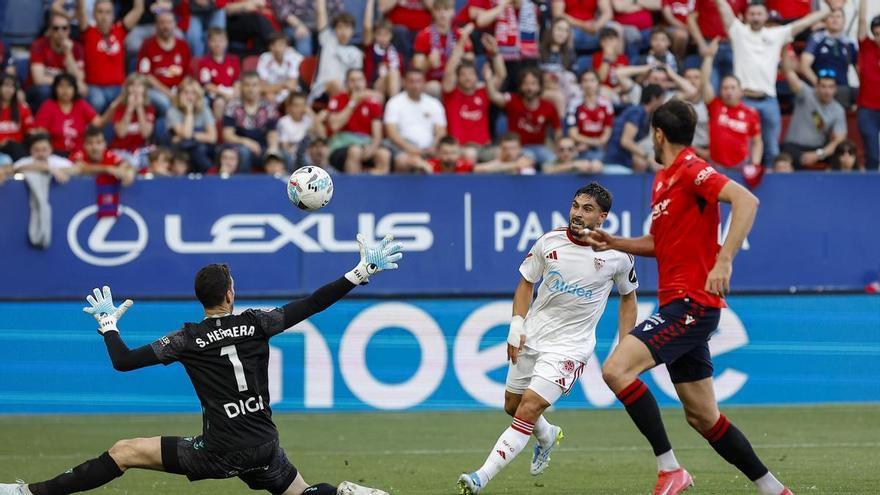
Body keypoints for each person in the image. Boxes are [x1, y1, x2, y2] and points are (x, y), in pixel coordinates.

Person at [0, 236, 403, 495]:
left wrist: (108, 325)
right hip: (264, 443)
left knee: (124, 452)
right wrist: (360, 272)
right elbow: (314, 302)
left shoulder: (186, 339)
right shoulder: (257, 323)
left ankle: (27, 493)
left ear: (201, 299)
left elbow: (123, 361)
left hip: (220, 450)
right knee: (301, 492)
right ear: (230, 295)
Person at [584, 98, 794, 495]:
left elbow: (747, 200)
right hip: (679, 305)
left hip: (692, 303)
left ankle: (670, 469)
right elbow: (660, 243)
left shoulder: (693, 169)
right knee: (703, 417)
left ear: (658, 134)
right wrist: (614, 242)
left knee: (615, 370)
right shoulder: (663, 180)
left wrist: (724, 260)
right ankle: (774, 489)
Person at [457, 182, 638, 495]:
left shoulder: (617, 256)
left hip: (571, 347)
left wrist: (626, 345)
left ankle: (479, 478)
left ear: (602, 217)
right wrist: (517, 323)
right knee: (513, 405)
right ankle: (547, 435)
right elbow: (527, 281)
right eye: (575, 205)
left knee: (529, 407)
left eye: (588, 209)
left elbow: (629, 297)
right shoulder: (549, 241)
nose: (577, 213)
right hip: (534, 335)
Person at [715, 0, 842, 166]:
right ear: (746, 16)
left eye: (759, 14)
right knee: (745, 148)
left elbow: (804, 23)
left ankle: (770, 181)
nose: (756, 17)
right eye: (752, 14)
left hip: (769, 99)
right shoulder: (739, 31)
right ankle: (745, 180)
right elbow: (724, 9)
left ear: (766, 16)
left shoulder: (776, 34)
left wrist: (829, 10)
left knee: (772, 148)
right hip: (744, 100)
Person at [700, 40, 762, 172]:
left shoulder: (751, 113)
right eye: (725, 88)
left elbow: (757, 142)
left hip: (741, 167)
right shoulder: (714, 105)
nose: (729, 91)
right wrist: (709, 57)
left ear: (741, 91)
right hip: (716, 167)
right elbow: (704, 83)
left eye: (733, 88)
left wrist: (755, 164)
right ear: (720, 91)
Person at [442, 25, 504, 154]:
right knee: (470, 154)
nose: (467, 78)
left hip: (484, 148)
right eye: (463, 74)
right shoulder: (451, 94)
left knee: (502, 153)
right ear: (457, 78)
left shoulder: (484, 92)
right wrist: (461, 42)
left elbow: (500, 76)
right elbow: (449, 72)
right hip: (460, 150)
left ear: (477, 77)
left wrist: (495, 52)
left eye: (471, 74)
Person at [780, 51, 846, 170]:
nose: (827, 91)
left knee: (842, 154)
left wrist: (818, 154)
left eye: (831, 87)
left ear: (835, 89)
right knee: (786, 157)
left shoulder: (838, 110)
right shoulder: (806, 93)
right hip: (793, 147)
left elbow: (839, 140)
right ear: (817, 86)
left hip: (818, 148)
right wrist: (784, 48)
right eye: (823, 86)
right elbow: (788, 73)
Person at [485, 65, 562, 167]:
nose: (529, 88)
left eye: (533, 84)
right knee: (528, 158)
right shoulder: (512, 100)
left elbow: (558, 130)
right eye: (526, 84)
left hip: (540, 147)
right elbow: (493, 96)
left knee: (552, 160)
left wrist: (558, 147)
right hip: (519, 149)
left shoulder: (548, 107)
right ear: (520, 86)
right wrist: (488, 78)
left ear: (540, 86)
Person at [78, 0, 145, 112]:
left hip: (118, 88)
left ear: (113, 15)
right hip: (95, 88)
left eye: (108, 12)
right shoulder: (88, 31)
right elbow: (80, 8)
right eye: (100, 12)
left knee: (130, 100)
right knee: (98, 101)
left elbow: (138, 9)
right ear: (94, 14)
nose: (104, 17)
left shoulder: (120, 30)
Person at [326, 69, 390, 174]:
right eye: (352, 80)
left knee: (384, 155)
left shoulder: (373, 103)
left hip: (366, 143)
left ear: (365, 82)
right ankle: (354, 183)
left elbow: (377, 134)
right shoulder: (337, 99)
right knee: (355, 151)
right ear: (346, 83)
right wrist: (353, 103)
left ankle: (371, 180)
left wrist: (372, 148)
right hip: (341, 145)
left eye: (360, 80)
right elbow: (334, 126)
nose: (357, 84)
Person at [384, 69, 447, 173]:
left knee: (450, 156)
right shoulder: (394, 103)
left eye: (418, 81)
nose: (415, 85)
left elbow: (441, 131)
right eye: (411, 81)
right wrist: (411, 149)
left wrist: (433, 147)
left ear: (424, 83)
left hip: (430, 149)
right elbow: (392, 133)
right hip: (403, 149)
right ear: (404, 83)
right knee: (403, 162)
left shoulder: (434, 104)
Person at [70, 126, 136, 218]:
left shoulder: (110, 155)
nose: (94, 147)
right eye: (90, 143)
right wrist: (108, 169)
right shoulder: (79, 155)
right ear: (84, 145)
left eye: (98, 142)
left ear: (105, 144)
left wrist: (129, 172)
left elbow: (125, 165)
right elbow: (81, 168)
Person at [222, 71, 281, 172]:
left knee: (283, 155)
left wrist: (272, 148)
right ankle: (243, 181)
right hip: (239, 146)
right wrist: (248, 142)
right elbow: (228, 135)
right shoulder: (232, 106)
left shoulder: (268, 106)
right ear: (242, 87)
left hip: (262, 146)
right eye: (247, 85)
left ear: (260, 87)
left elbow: (272, 132)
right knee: (244, 152)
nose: (251, 89)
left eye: (254, 85)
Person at [137, 10, 192, 117]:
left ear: (175, 24)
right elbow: (145, 76)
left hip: (179, 90)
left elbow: (188, 74)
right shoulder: (147, 45)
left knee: (199, 100)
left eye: (169, 22)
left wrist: (180, 92)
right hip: (155, 90)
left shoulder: (183, 45)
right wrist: (169, 94)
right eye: (162, 22)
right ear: (156, 25)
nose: (166, 26)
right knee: (165, 103)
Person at [800, 7, 857, 108]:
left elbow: (859, 68)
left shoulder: (850, 42)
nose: (835, 19)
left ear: (844, 20)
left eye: (838, 17)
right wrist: (819, 85)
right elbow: (804, 65)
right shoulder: (816, 39)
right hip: (820, 89)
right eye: (831, 16)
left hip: (842, 89)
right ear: (825, 20)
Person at [412, 0, 473, 96]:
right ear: (433, 12)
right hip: (431, 82)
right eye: (438, 10)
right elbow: (417, 69)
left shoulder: (461, 35)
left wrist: (460, 53)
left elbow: (470, 61)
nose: (442, 13)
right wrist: (429, 63)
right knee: (434, 87)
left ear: (453, 12)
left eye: (446, 9)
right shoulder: (423, 35)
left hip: (454, 80)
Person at [28, 13, 87, 109]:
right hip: (41, 89)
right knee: (45, 91)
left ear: (69, 30)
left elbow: (79, 77)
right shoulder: (38, 45)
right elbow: (38, 79)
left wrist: (68, 53)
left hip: (61, 86)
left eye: (64, 28)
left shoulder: (76, 48)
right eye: (56, 28)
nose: (60, 32)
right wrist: (64, 84)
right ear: (50, 31)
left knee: (82, 90)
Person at [34, 73, 102, 156]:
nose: (65, 90)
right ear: (55, 88)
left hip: (80, 154)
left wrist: (112, 108)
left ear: (75, 89)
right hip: (55, 154)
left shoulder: (81, 104)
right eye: (61, 86)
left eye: (69, 86)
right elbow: (40, 132)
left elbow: (98, 123)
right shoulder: (48, 106)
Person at [603, 83, 665, 173]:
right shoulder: (637, 112)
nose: (662, 104)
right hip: (616, 164)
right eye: (662, 100)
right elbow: (625, 141)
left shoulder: (645, 116)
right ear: (654, 99)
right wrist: (648, 158)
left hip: (625, 161)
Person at [311, 0, 363, 99]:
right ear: (334, 30)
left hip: (347, 91)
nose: (343, 31)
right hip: (322, 90)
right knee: (335, 84)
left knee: (376, 96)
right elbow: (321, 13)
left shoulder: (356, 53)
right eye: (340, 27)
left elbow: (356, 78)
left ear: (352, 31)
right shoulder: (327, 40)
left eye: (347, 27)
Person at [168, 77, 218, 173]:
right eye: (186, 93)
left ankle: (210, 174)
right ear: (179, 94)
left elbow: (212, 137)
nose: (189, 97)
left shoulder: (204, 109)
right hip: (181, 149)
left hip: (202, 149)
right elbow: (186, 135)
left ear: (198, 95)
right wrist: (189, 112)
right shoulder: (173, 111)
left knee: (198, 150)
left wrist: (190, 137)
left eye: (193, 93)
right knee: (186, 149)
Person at [194, 27, 241, 121]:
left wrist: (235, 93)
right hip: (215, 95)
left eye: (221, 41)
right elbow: (207, 85)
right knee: (219, 102)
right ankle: (218, 127)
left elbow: (237, 81)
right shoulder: (204, 62)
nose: (218, 44)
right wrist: (224, 94)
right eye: (214, 41)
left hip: (232, 93)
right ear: (209, 43)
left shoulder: (233, 60)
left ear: (226, 42)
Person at [107, 73, 156, 162]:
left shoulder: (149, 108)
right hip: (121, 150)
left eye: (139, 86)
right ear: (127, 89)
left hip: (140, 150)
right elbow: (121, 133)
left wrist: (139, 108)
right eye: (132, 85)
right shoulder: (119, 108)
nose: (135, 89)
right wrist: (129, 108)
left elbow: (146, 134)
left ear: (145, 89)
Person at [568, 70, 614, 162]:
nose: (588, 84)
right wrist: (594, 142)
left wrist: (590, 144)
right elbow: (573, 134)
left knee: (598, 157)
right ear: (581, 84)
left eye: (592, 80)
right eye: (585, 80)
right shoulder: (573, 105)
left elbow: (606, 135)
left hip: (599, 147)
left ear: (598, 83)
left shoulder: (606, 105)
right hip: (579, 146)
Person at [856, 0, 880, 171]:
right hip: (868, 110)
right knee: (872, 155)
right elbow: (862, 21)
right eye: (877, 34)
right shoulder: (867, 47)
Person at [362, 0, 402, 98]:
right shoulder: (370, 49)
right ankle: (394, 104)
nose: (382, 38)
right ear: (374, 35)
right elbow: (367, 27)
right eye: (379, 34)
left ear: (391, 36)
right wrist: (370, 2)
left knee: (394, 73)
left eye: (386, 34)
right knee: (393, 73)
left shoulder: (395, 54)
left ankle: (394, 103)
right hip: (373, 87)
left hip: (392, 86)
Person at [257, 31, 304, 104]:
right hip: (270, 94)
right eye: (274, 45)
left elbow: (292, 85)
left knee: (294, 95)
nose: (278, 48)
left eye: (281, 44)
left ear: (287, 46)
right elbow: (262, 87)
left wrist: (271, 89)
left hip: (287, 93)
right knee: (263, 94)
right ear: (270, 47)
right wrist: (283, 85)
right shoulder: (264, 58)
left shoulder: (294, 57)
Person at [0, 74, 34, 161]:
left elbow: (30, 132)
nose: (9, 90)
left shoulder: (23, 108)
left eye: (12, 86)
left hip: (18, 148)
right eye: (6, 85)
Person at [278, 92, 317, 161]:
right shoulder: (283, 122)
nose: (300, 109)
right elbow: (284, 146)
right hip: (292, 157)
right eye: (296, 106)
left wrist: (311, 114)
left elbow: (322, 135)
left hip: (308, 155)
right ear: (289, 107)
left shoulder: (308, 120)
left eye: (302, 105)